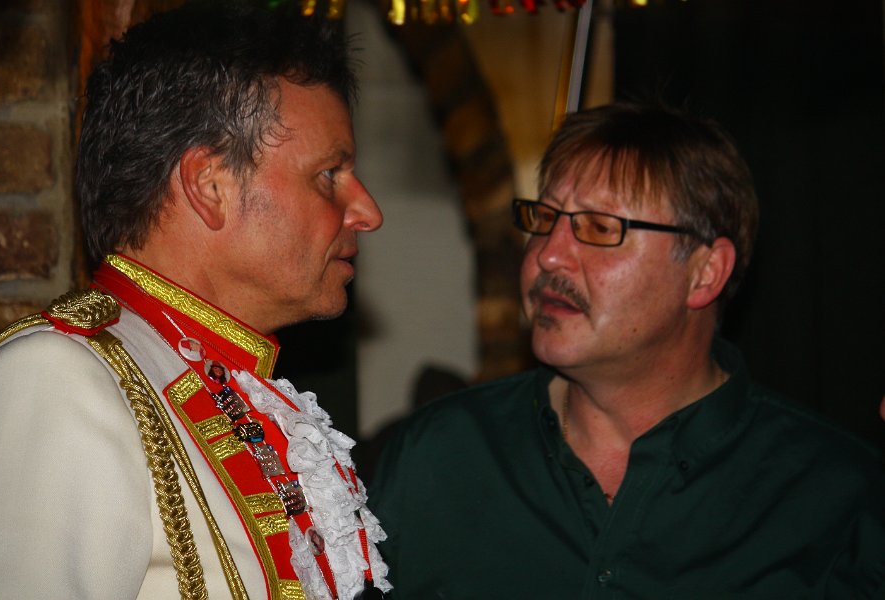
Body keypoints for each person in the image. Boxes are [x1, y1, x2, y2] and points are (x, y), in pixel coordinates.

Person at [368, 103, 885, 598]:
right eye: (545, 217)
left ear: (705, 273)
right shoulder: (440, 454)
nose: (548, 255)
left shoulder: (836, 497)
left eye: (598, 227)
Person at [0, 2, 390, 599]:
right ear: (210, 185)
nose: (368, 212)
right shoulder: (57, 377)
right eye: (329, 174)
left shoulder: (247, 388)